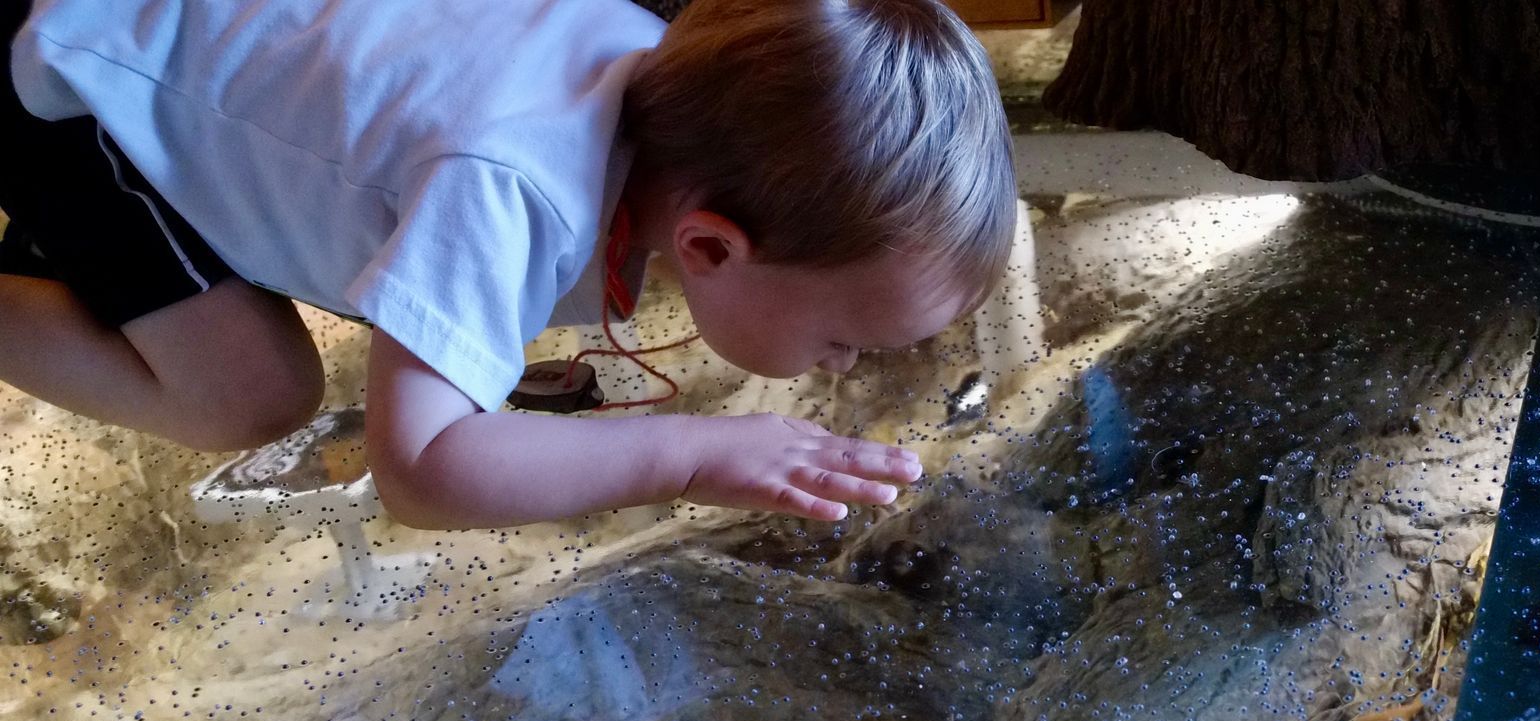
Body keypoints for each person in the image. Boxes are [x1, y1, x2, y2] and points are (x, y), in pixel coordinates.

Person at [0, 0, 1017, 527]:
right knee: (251, 392)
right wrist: (694, 453)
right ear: (709, 246)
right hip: (78, 60)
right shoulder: (517, 185)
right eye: (842, 338)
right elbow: (424, 468)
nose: (841, 366)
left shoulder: (645, 62)